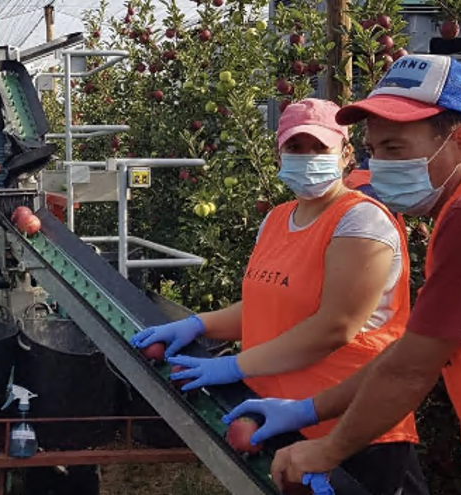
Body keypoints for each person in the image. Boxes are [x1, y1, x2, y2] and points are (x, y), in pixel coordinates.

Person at [251, 54, 461, 495]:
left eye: (395, 149)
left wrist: (327, 449)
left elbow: (412, 370)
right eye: (374, 149)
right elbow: (418, 349)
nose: (380, 165)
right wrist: (309, 410)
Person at [131, 98, 428, 494]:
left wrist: (234, 366)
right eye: (295, 147)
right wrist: (198, 324)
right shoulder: (276, 219)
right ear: (279, 154)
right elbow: (266, 306)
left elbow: (335, 327)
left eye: (319, 147)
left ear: (346, 154)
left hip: (351, 430)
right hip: (276, 418)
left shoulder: (362, 220)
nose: (307, 157)